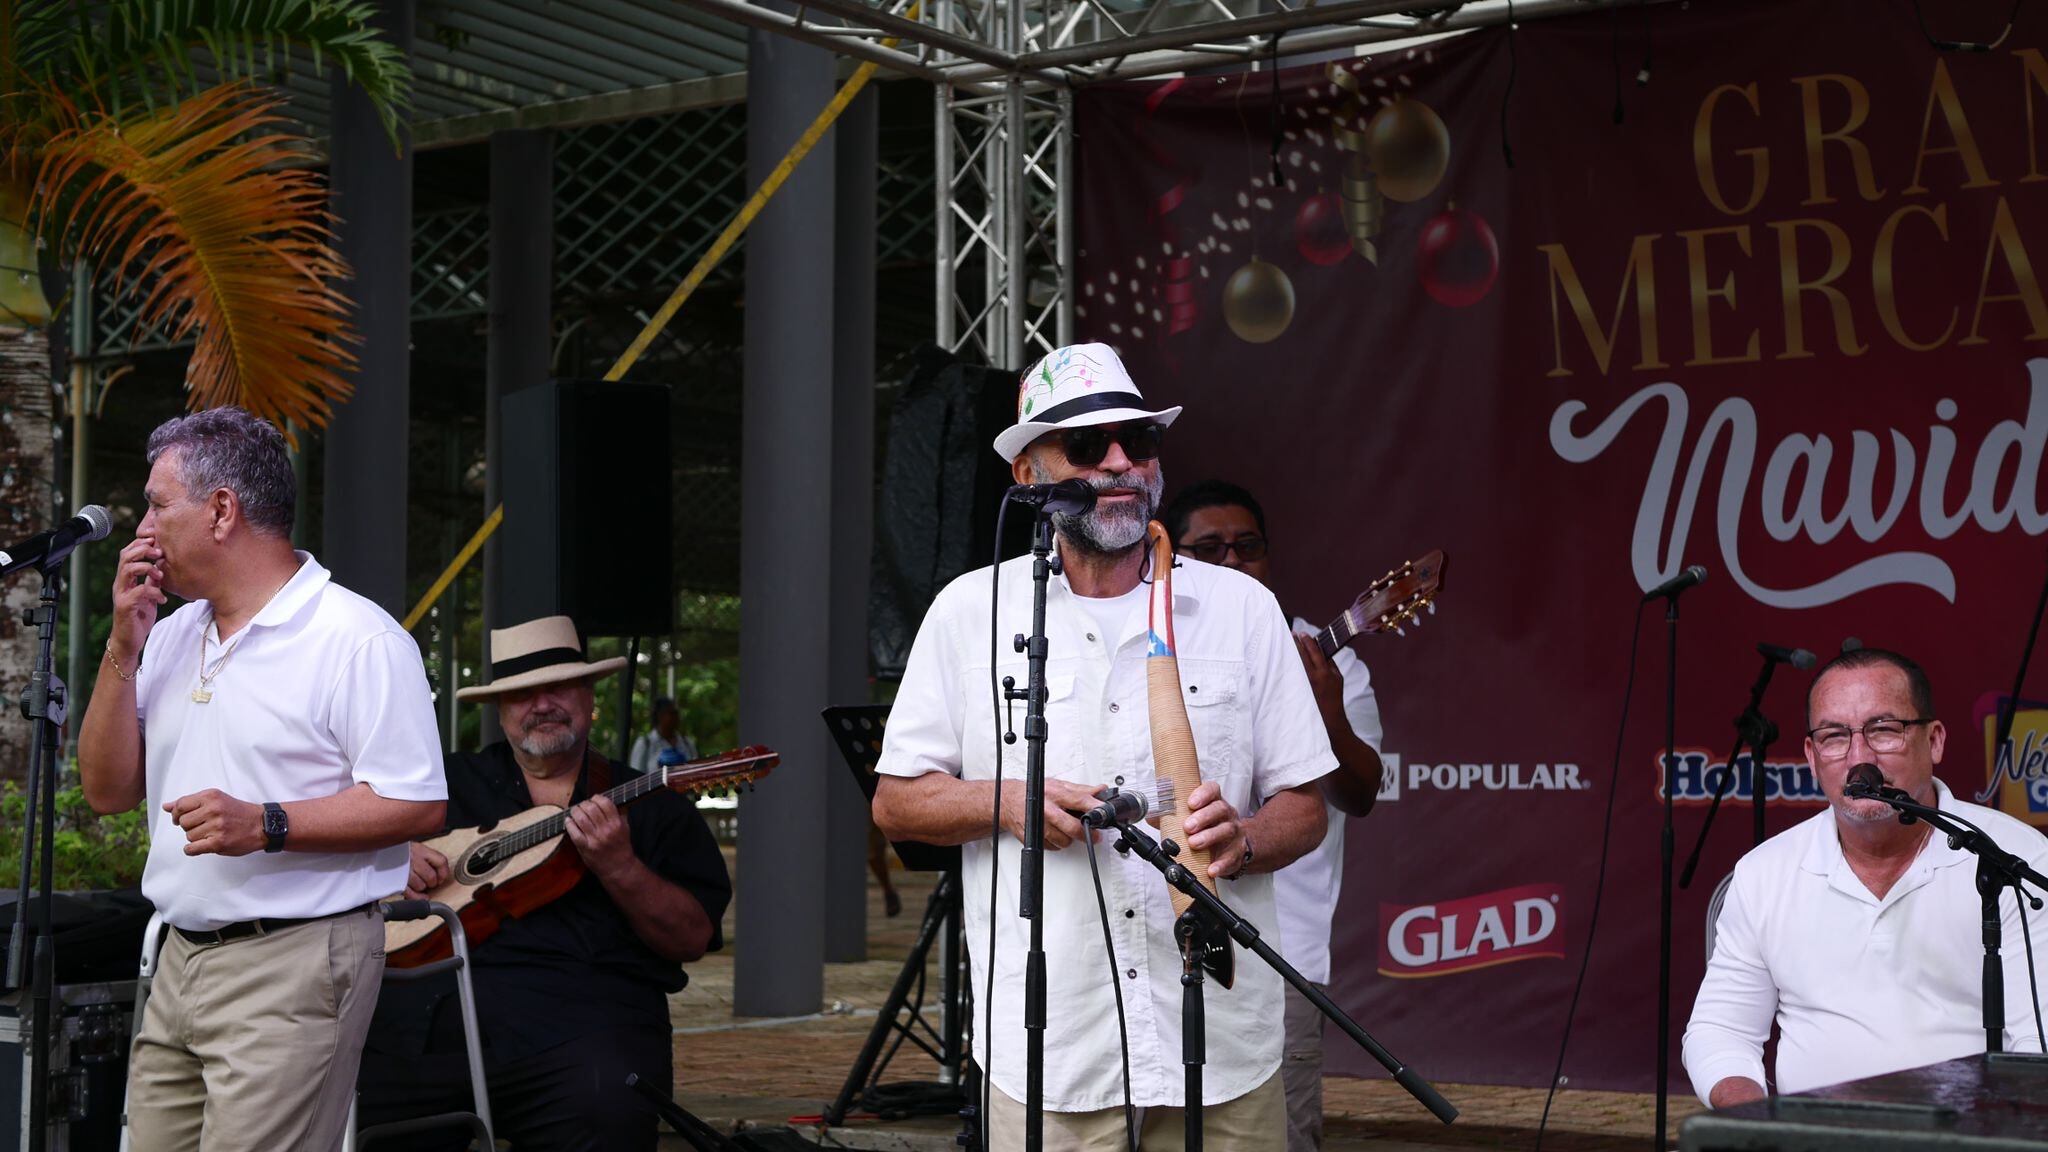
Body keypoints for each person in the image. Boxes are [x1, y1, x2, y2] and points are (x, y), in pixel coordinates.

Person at [872, 342, 1336, 1152]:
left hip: (1220, 1042)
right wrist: (1006, 802)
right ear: (1030, 475)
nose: (1121, 462)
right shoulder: (967, 610)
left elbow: (1306, 807)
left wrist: (1249, 838)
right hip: (1055, 1050)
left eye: (1139, 442)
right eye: (1088, 446)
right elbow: (896, 803)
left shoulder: (1243, 608)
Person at [77, 407, 447, 1152]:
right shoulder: (172, 631)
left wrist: (267, 823)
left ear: (221, 510)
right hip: (179, 959)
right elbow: (107, 790)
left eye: (156, 505)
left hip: (297, 963)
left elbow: (416, 801)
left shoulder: (358, 638)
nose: (142, 530)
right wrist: (123, 644)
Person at [357, 615, 732, 1152]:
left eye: (558, 686)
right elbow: (339, 855)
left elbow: (691, 938)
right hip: (428, 1024)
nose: (542, 704)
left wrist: (620, 866)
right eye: (521, 694)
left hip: (582, 1030)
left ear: (587, 694)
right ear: (500, 710)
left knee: (608, 1111)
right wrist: (389, 856)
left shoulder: (651, 804)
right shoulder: (435, 789)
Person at [1684, 647, 2048, 1105]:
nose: (1860, 757)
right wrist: (1761, 1125)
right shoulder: (1764, 872)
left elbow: (2038, 1044)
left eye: (1883, 729)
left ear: (1934, 740)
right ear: (1813, 757)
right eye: (1835, 736)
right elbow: (1720, 1030)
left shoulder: (2015, 858)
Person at [1162, 479, 1385, 1152]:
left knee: (1278, 1135)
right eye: (1209, 548)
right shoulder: (1149, 647)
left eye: (1248, 546)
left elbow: (1360, 793)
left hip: (1282, 952)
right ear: (1173, 556)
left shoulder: (1326, 662)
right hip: (1152, 946)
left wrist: (1329, 710)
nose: (1232, 561)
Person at [628, 695, 699, 773]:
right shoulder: (645, 744)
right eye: (672, 714)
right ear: (660, 716)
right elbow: (635, 777)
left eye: (677, 714)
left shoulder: (687, 743)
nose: (677, 718)